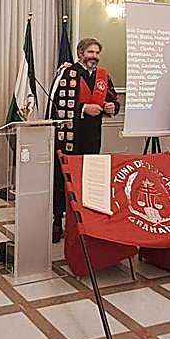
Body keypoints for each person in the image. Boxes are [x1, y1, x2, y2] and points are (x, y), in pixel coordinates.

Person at [48, 37, 120, 242]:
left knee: (88, 180)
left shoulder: (103, 76)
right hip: (69, 137)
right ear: (81, 53)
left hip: (92, 136)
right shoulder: (67, 73)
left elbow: (113, 99)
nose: (94, 57)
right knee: (63, 180)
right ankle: (57, 221)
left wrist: (111, 107)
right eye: (90, 52)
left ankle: (84, 221)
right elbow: (57, 105)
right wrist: (83, 109)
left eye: (97, 53)